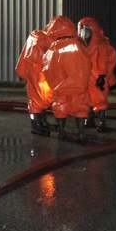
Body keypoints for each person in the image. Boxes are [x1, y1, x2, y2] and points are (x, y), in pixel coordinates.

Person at [42, 16, 92, 144]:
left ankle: (61, 132)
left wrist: (56, 86)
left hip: (60, 88)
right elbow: (86, 64)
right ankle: (81, 134)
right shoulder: (77, 45)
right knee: (80, 106)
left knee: (60, 107)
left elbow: (47, 69)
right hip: (78, 85)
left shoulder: (52, 49)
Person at [77, 17, 116, 132]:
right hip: (87, 78)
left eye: (85, 31)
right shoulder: (82, 45)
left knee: (100, 101)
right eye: (81, 31)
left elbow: (105, 61)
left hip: (99, 79)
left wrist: (102, 76)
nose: (83, 34)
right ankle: (89, 121)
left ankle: (101, 123)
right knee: (87, 100)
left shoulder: (101, 45)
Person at [15, 28, 53, 136]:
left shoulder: (36, 37)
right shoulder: (41, 39)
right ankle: (36, 125)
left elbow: (24, 58)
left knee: (40, 100)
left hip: (36, 74)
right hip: (37, 75)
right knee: (37, 102)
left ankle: (41, 122)